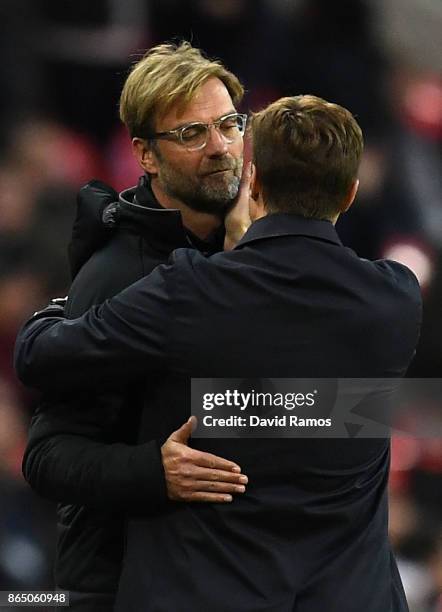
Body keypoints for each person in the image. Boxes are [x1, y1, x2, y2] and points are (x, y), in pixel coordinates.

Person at [15, 95, 422, 611]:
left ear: (253, 182)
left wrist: (63, 303)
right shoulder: (396, 298)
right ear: (349, 194)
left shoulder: (192, 291)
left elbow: (37, 356)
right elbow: (303, 408)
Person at [20, 42, 251, 611]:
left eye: (228, 124)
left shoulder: (261, 247)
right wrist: (151, 471)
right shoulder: (116, 274)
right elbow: (46, 456)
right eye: (193, 134)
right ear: (146, 156)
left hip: (228, 572)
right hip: (114, 583)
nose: (220, 147)